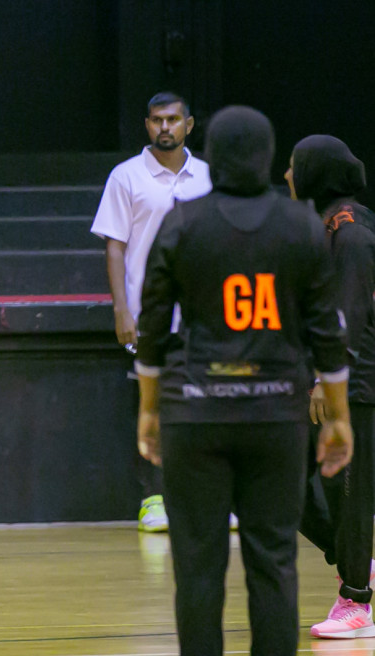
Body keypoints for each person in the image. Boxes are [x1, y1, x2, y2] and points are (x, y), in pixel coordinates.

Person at [136, 105, 353, 656]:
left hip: (196, 413)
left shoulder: (183, 222)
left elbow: (153, 327)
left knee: (199, 567)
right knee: (274, 563)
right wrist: (340, 417)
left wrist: (148, 408)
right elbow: (327, 334)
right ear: (265, 155)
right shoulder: (303, 224)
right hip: (276, 416)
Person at [91, 91, 212, 530]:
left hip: (203, 317)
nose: (165, 127)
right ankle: (153, 499)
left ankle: (208, 497)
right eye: (157, 120)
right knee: (151, 403)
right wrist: (122, 309)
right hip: (149, 314)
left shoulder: (208, 177)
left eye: (174, 120)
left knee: (206, 405)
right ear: (147, 125)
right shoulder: (125, 177)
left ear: (189, 124)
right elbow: (114, 246)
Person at [286, 135, 375, 638]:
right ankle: (353, 560)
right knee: (287, 482)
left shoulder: (353, 235)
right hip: (325, 378)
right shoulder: (322, 227)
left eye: (294, 167)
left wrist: (326, 378)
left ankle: (357, 601)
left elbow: (349, 316)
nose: (286, 177)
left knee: (350, 492)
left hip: (355, 382)